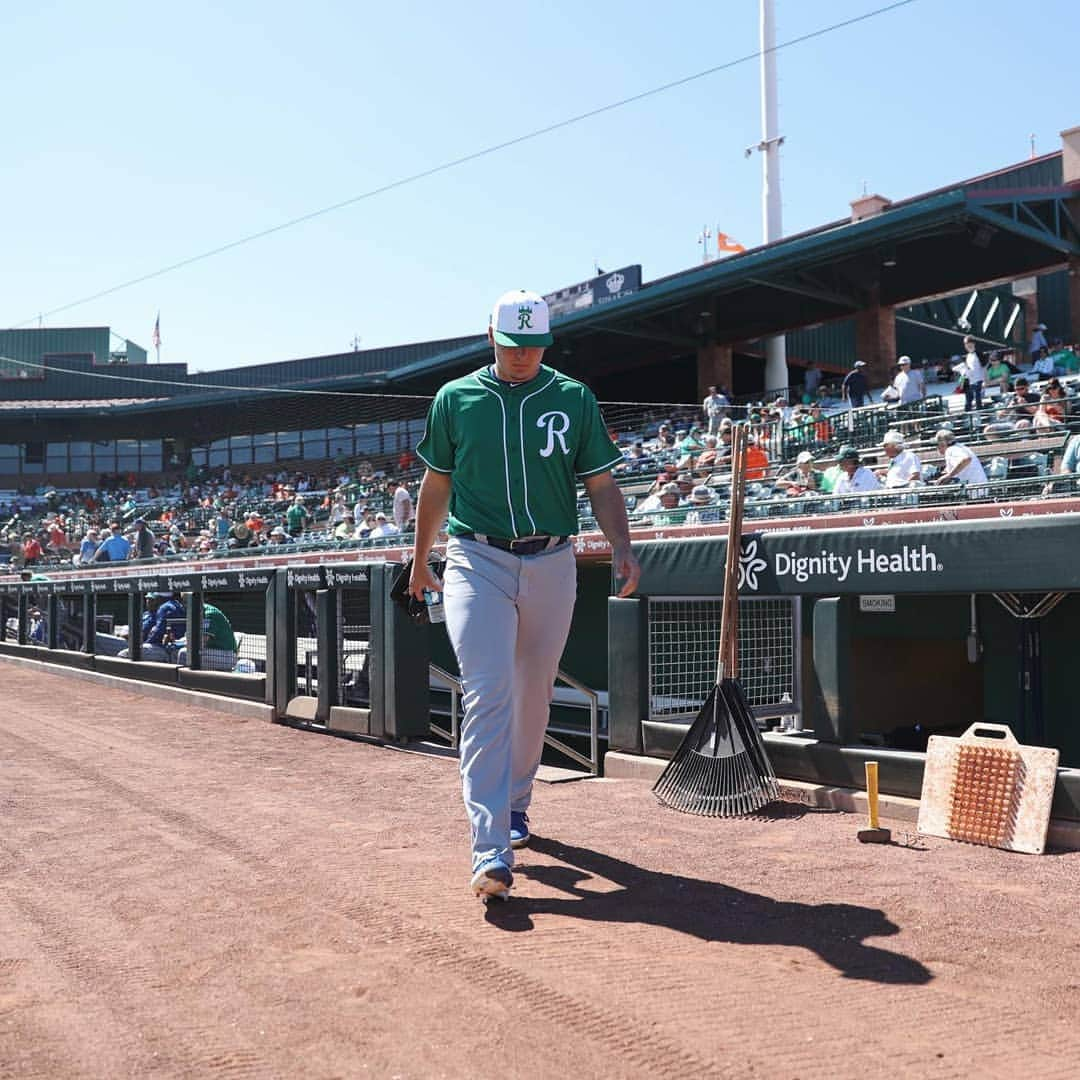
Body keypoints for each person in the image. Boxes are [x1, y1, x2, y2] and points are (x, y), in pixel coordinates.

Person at [408, 288, 639, 900]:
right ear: (492, 337)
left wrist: (621, 543)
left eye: (534, 345)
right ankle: (489, 850)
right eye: (514, 344)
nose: (524, 356)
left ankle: (515, 802)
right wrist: (419, 558)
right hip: (475, 556)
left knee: (535, 690)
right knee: (488, 691)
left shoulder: (572, 396)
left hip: (553, 558)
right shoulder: (455, 398)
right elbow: (436, 483)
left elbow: (600, 482)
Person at [176, 601, 237, 672]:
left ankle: (186, 681)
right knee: (175, 651)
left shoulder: (209, 614)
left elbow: (201, 642)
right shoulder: (196, 612)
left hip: (226, 655)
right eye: (184, 602)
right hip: (212, 652)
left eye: (187, 601)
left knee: (183, 653)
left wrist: (182, 644)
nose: (185, 605)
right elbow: (190, 637)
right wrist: (176, 643)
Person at [957, 336, 986, 413]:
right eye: (966, 344)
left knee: (978, 401)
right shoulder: (968, 356)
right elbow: (968, 369)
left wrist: (985, 380)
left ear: (974, 343)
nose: (968, 345)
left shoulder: (979, 354)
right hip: (970, 382)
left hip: (979, 381)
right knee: (968, 401)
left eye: (970, 343)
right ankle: (967, 416)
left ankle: (981, 415)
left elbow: (985, 367)